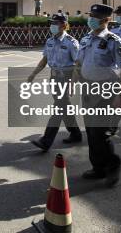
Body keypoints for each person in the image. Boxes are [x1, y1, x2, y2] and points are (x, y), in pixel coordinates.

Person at [76, 4, 121, 187]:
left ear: (106, 20)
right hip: (88, 90)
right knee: (91, 131)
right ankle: (98, 167)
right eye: (90, 15)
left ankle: (113, 165)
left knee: (100, 132)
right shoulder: (85, 39)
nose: (91, 19)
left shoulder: (114, 40)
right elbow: (79, 64)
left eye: (95, 16)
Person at [27, 14, 82, 152]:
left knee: (58, 109)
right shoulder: (50, 41)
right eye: (51, 22)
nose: (52, 25)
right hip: (54, 78)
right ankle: (76, 133)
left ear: (64, 25)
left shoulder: (71, 42)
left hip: (66, 78)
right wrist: (33, 74)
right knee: (64, 107)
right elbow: (45, 59)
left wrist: (72, 84)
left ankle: (46, 141)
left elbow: (78, 65)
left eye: (55, 23)